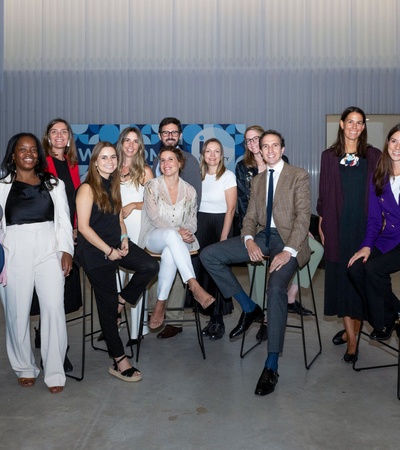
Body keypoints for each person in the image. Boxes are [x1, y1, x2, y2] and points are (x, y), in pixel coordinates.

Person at [201, 130, 311, 396]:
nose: (270, 150)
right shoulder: (258, 181)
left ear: (282, 149)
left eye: (275, 146)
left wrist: (287, 251)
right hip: (263, 237)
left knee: (275, 290)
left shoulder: (298, 175)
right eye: (265, 147)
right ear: (259, 151)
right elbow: (249, 216)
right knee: (209, 255)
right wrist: (248, 239)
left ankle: (271, 364)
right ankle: (249, 308)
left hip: (288, 242)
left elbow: (303, 219)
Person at [75, 141, 159, 382]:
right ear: (94, 161)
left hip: (117, 244)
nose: (110, 161)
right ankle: (119, 359)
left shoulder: (113, 183)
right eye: (104, 158)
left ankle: (123, 298)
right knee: (107, 308)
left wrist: (123, 238)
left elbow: (119, 216)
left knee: (150, 266)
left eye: (113, 157)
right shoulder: (87, 188)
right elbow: (83, 227)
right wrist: (108, 250)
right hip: (95, 252)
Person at [0, 133, 74, 394]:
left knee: (53, 307)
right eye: (22, 149)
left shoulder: (54, 183)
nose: (29, 153)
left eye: (33, 149)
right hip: (14, 249)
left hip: (49, 248)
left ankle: (54, 371)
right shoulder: (1, 185)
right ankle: (25, 367)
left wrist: (66, 250)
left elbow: (64, 221)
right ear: (13, 154)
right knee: (17, 311)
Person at [235, 126, 318, 341]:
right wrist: (250, 235)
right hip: (257, 228)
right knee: (257, 266)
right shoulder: (244, 168)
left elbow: (295, 207)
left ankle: (290, 297)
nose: (253, 143)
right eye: (249, 140)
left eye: (257, 139)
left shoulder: (286, 166)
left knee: (315, 249)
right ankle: (259, 314)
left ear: (280, 148)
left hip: (284, 228)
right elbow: (246, 207)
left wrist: (298, 231)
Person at [317, 106, 381, 363]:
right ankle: (352, 340)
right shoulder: (328, 156)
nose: (354, 126)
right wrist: (322, 222)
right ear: (342, 124)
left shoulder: (374, 155)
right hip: (337, 227)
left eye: (359, 123)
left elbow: (382, 190)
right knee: (342, 280)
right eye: (350, 122)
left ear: (363, 127)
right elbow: (323, 192)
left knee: (361, 280)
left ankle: (351, 330)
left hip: (366, 229)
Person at [138, 146, 215, 330]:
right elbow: (155, 218)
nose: (166, 164)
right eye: (162, 160)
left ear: (180, 163)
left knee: (170, 253)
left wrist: (186, 231)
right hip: (153, 237)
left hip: (178, 242)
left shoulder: (189, 191)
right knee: (171, 236)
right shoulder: (152, 186)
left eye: (170, 159)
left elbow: (192, 222)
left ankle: (160, 303)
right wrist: (178, 232)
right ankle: (194, 284)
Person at [32, 118, 82, 372]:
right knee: (52, 294)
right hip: (47, 237)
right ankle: (54, 353)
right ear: (48, 137)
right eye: (54, 132)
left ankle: (45, 334)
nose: (60, 136)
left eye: (64, 132)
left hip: (68, 236)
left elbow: (74, 200)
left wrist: (74, 227)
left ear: (69, 138)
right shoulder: (42, 164)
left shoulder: (71, 163)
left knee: (63, 296)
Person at [149, 117, 202, 339]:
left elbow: (192, 202)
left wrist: (182, 230)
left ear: (180, 135)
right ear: (160, 136)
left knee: (175, 254)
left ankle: (174, 320)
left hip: (181, 228)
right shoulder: (155, 161)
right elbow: (152, 202)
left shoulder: (190, 161)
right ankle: (156, 309)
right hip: (158, 229)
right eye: (165, 132)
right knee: (156, 268)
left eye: (174, 132)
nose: (169, 135)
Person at [348, 124, 400, 343]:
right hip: (388, 239)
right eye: (394, 140)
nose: (397, 147)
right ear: (387, 143)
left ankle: (384, 319)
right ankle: (392, 316)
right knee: (356, 269)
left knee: (375, 269)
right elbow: (374, 219)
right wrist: (366, 246)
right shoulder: (379, 176)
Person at [195, 138, 237, 340]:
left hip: (220, 225)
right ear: (203, 155)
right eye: (208, 151)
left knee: (218, 273)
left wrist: (223, 237)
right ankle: (211, 317)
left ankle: (218, 320)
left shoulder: (228, 176)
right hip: (200, 225)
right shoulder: (198, 176)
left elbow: (231, 209)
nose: (212, 155)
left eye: (217, 151)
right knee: (202, 273)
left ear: (222, 155)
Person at [117, 127, 154, 342]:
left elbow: (154, 202)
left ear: (140, 146)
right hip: (116, 228)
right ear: (121, 143)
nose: (131, 145)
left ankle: (138, 330)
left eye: (135, 141)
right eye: (127, 140)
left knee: (136, 276)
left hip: (138, 226)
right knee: (115, 279)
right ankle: (115, 320)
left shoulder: (145, 171)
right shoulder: (111, 168)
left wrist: (133, 204)